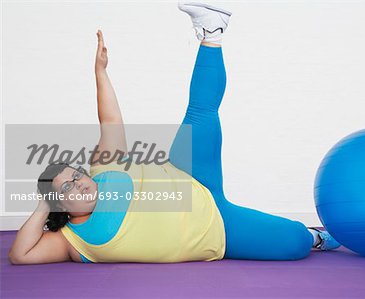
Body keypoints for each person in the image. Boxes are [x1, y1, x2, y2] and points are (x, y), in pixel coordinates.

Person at [8, 2, 340, 265]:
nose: (80, 181)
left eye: (76, 174)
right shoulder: (71, 241)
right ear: (59, 205)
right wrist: (44, 206)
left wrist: (100, 72)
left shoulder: (105, 169)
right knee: (295, 244)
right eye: (67, 185)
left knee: (201, 112)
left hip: (188, 172)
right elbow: (20, 255)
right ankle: (317, 237)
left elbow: (109, 120)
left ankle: (213, 30)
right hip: (218, 229)